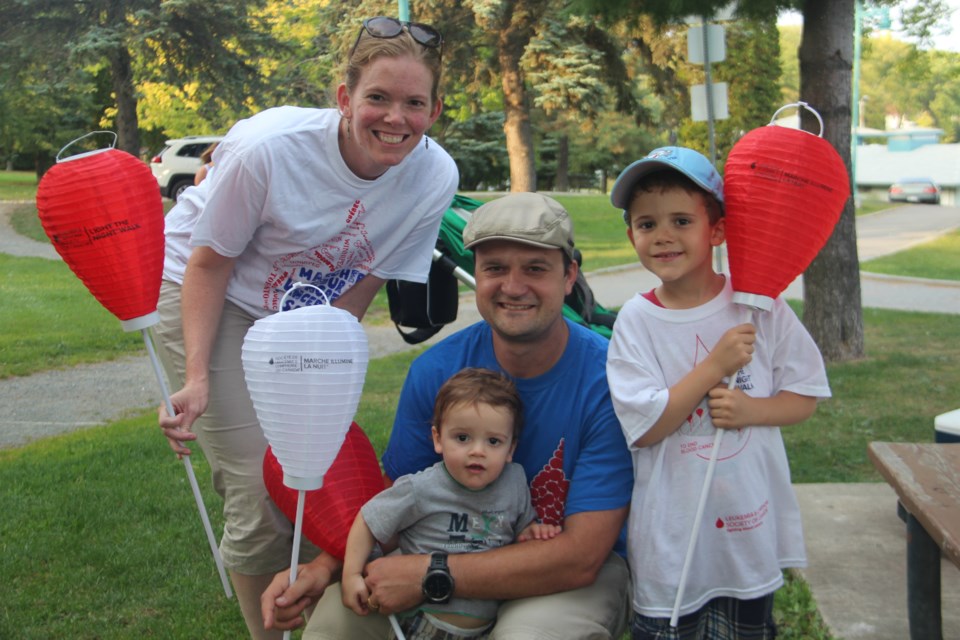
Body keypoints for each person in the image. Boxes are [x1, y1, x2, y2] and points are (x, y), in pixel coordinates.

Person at [153, 15, 458, 640]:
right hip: (207, 287)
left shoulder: (434, 176)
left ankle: (317, 598)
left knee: (309, 464)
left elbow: (366, 280)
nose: (395, 118)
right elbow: (209, 265)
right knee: (254, 481)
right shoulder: (274, 150)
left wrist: (319, 369)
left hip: (304, 308)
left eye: (414, 103)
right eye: (377, 97)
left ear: (435, 108)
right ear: (345, 98)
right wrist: (196, 377)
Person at [262, 192, 635, 639]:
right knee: (336, 626)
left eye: (535, 268)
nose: (513, 287)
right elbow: (402, 494)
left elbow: (582, 556)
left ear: (569, 274)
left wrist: (431, 575)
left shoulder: (608, 379)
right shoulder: (436, 370)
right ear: (474, 274)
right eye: (495, 268)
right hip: (436, 546)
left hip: (555, 570)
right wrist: (327, 568)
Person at [604, 146, 832, 639]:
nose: (663, 236)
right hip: (671, 537)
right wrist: (715, 367)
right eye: (646, 225)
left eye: (681, 220)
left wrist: (753, 408)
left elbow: (805, 396)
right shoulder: (636, 322)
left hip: (745, 531)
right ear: (631, 236)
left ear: (718, 229)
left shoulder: (759, 307)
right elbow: (644, 427)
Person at [341, 368, 561, 639]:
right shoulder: (421, 488)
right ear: (438, 439)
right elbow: (368, 519)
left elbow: (519, 530)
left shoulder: (514, 482)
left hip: (489, 622)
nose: (477, 450)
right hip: (425, 621)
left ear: (511, 449)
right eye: (462, 438)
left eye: (493, 441)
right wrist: (351, 574)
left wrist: (532, 533)